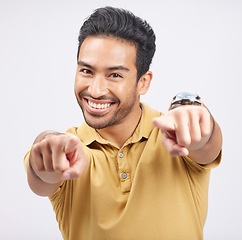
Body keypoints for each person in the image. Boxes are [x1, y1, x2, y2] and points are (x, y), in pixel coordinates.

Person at [24, 6, 222, 240]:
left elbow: (207, 144)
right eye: (86, 71)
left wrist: (199, 122)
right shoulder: (67, 152)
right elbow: (41, 176)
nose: (95, 90)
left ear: (143, 82)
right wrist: (47, 143)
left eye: (115, 75)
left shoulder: (177, 138)